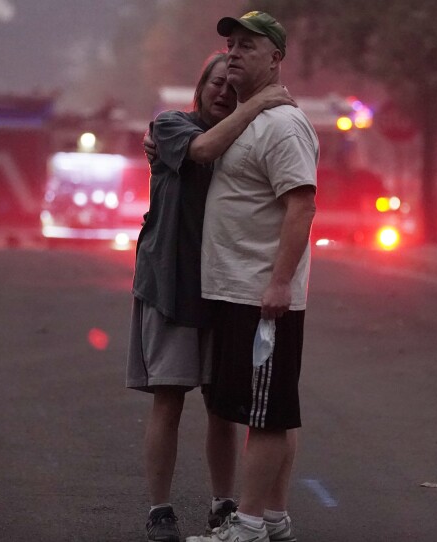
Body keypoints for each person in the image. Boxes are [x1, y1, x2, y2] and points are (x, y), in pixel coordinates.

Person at [126, 52, 295, 542]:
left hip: (226, 290)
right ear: (200, 87)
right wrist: (259, 101)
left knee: (222, 407)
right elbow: (202, 150)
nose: (223, 91)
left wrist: (264, 106)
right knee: (169, 400)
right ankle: (160, 509)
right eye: (216, 82)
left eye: (232, 85)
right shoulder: (171, 126)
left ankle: (223, 504)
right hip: (170, 286)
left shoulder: (244, 140)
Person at [188, 11, 319, 542]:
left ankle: (245, 527)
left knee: (264, 414)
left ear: (276, 58)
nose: (235, 52)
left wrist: (280, 283)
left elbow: (302, 206)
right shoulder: (246, 119)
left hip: (259, 293)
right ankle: (273, 520)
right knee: (267, 409)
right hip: (232, 289)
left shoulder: (283, 125)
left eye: (248, 45)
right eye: (230, 43)